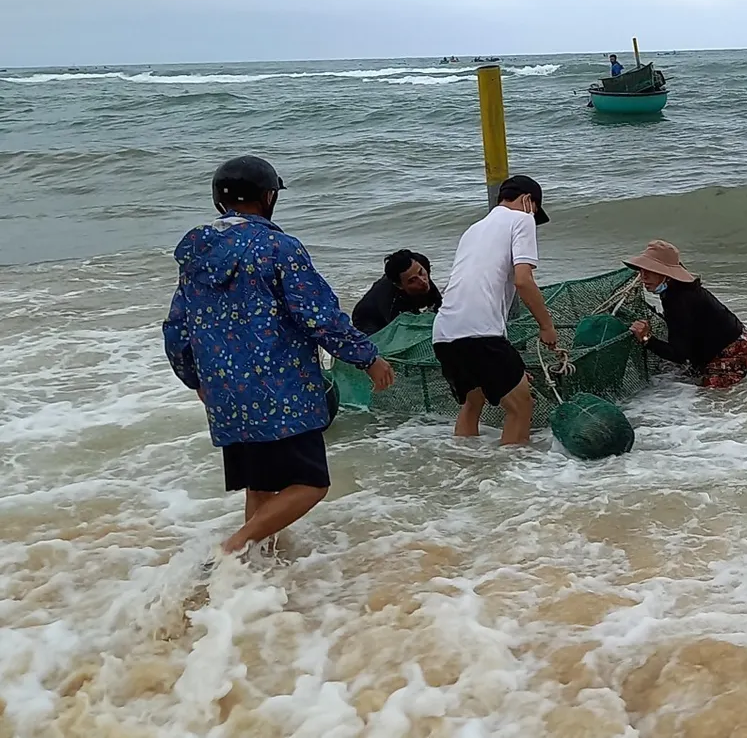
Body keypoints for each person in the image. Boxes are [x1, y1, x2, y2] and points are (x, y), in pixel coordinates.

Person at [162, 155, 396, 556]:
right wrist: (367, 358)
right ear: (269, 196)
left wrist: (196, 381)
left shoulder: (197, 255)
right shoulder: (278, 248)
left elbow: (176, 329)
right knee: (311, 484)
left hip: (227, 393)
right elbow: (320, 318)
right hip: (280, 390)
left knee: (262, 484)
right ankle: (232, 550)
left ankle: (257, 572)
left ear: (220, 200)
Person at [432, 175, 557, 445]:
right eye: (535, 211)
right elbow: (523, 280)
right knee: (521, 407)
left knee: (472, 402)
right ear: (528, 201)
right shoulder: (522, 219)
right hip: (481, 333)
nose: (533, 218)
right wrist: (546, 327)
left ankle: (463, 467)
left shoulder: (473, 229)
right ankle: (508, 483)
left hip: (444, 332)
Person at [625, 240, 747, 389]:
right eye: (641, 270)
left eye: (650, 270)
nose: (642, 277)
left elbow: (680, 355)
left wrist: (647, 339)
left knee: (709, 398)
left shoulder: (678, 299)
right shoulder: (674, 290)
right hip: (735, 338)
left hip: (733, 352)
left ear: (666, 274)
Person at [352, 249, 442, 334]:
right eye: (412, 280)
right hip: (367, 318)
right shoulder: (391, 302)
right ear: (399, 285)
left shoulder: (421, 263)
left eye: (421, 272)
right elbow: (402, 333)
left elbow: (439, 304)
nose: (423, 281)